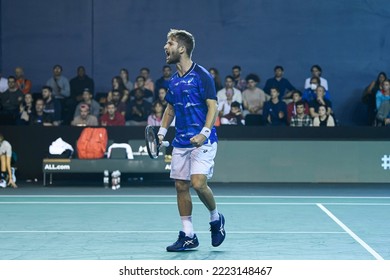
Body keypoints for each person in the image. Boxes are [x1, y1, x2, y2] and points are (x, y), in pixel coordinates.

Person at [158, 29, 225, 252]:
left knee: (197, 183)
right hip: (181, 141)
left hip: (203, 141)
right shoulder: (173, 81)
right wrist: (161, 132)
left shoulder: (202, 75)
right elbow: (170, 108)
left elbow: (213, 106)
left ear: (182, 48)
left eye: (170, 43)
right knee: (180, 186)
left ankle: (216, 218)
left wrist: (204, 133)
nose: (165, 47)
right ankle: (188, 235)